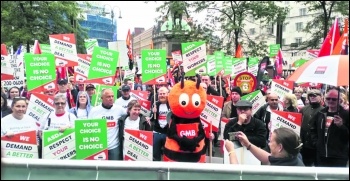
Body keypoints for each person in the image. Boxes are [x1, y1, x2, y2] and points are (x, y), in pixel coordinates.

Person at [227, 128, 304, 166]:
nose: (269, 144)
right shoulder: (294, 157)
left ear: (280, 147)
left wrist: (231, 151)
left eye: (270, 141)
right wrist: (248, 145)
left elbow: (237, 176)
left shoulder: (276, 173)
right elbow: (269, 158)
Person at [88, 88, 126, 160]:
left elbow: (129, 116)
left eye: (112, 96)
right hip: (99, 147)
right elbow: (88, 127)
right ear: (102, 98)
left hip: (114, 146)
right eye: (108, 97)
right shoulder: (94, 111)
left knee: (114, 169)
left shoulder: (119, 109)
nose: (111, 98)